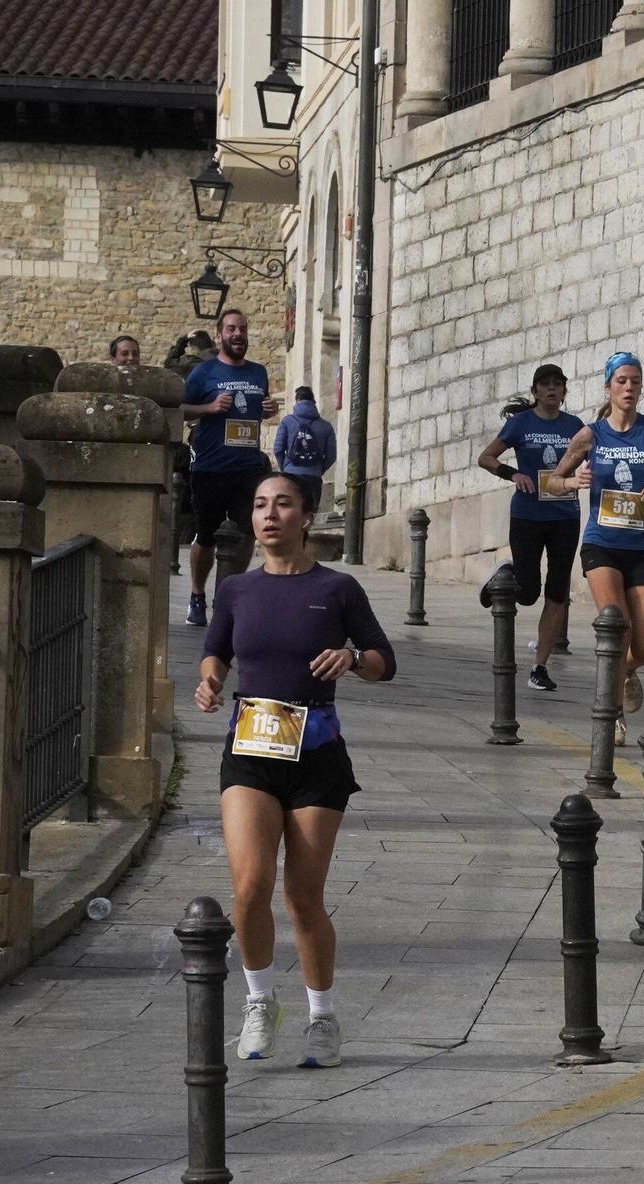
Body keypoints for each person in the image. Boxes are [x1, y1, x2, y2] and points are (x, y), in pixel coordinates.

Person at [194, 472, 396, 1069]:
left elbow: (386, 661)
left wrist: (353, 658)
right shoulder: (236, 590)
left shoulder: (337, 589)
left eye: (283, 504)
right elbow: (216, 651)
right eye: (260, 504)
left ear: (307, 517)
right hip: (251, 753)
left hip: (317, 758)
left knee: (303, 896)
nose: (269, 515)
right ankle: (259, 1002)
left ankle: (322, 1017)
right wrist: (209, 681)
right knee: (249, 887)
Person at [546, 352, 644, 742]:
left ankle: (626, 670)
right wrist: (573, 483)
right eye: (622, 381)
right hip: (602, 544)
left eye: (635, 381)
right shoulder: (590, 435)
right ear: (608, 387)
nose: (629, 387)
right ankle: (611, 712)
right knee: (618, 628)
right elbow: (551, 482)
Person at [477, 365, 585, 691]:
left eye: (558, 385)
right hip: (527, 515)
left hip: (565, 515)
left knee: (557, 593)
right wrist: (513, 474)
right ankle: (505, 573)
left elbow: (593, 459)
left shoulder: (575, 427)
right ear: (535, 391)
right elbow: (486, 457)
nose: (552, 390)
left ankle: (540, 667)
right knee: (527, 594)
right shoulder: (521, 423)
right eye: (545, 385)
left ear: (564, 392)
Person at [182, 309, 280, 626]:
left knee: (245, 533)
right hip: (210, 467)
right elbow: (180, 409)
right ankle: (197, 595)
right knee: (206, 536)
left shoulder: (258, 372)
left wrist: (269, 409)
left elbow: (260, 410)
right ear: (220, 334)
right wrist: (209, 408)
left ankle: (230, 594)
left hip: (248, 466)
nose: (238, 334)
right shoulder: (203, 373)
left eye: (242, 329)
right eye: (231, 329)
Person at [272, 386, 338, 512]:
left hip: (291, 475)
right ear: (314, 402)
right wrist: (318, 469)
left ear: (296, 401)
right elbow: (331, 455)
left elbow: (278, 449)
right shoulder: (325, 426)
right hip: (313, 478)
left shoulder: (287, 421)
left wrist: (285, 468)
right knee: (309, 514)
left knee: (288, 513)